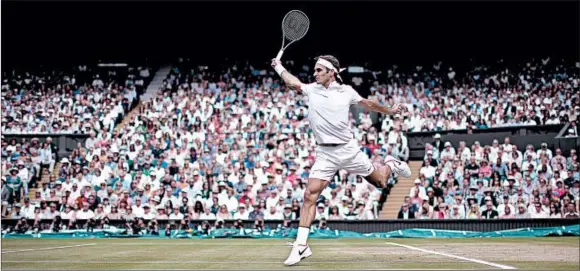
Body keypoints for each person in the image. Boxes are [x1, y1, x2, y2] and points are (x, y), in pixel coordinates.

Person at [271, 55, 412, 266]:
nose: (315, 73)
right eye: (315, 70)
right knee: (310, 195)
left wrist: (390, 111)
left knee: (381, 182)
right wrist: (278, 66)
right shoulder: (312, 89)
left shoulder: (346, 92)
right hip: (325, 154)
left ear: (331, 72)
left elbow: (369, 104)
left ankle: (391, 164)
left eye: (319, 70)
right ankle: (301, 246)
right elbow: (292, 82)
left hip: (348, 151)